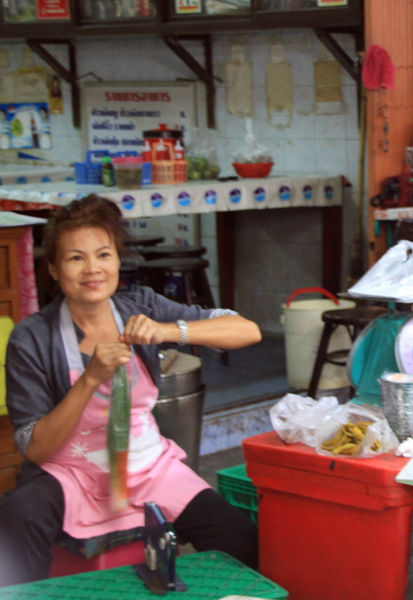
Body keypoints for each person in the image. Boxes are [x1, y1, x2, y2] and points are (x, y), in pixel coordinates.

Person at [0, 195, 263, 586]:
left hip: (150, 467)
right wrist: (90, 378)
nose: (92, 269)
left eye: (103, 254)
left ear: (118, 261)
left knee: (240, 537)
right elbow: (34, 446)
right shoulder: (31, 338)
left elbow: (247, 330)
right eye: (75, 258)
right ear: (53, 269)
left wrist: (167, 331)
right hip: (71, 473)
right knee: (17, 517)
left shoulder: (140, 306)